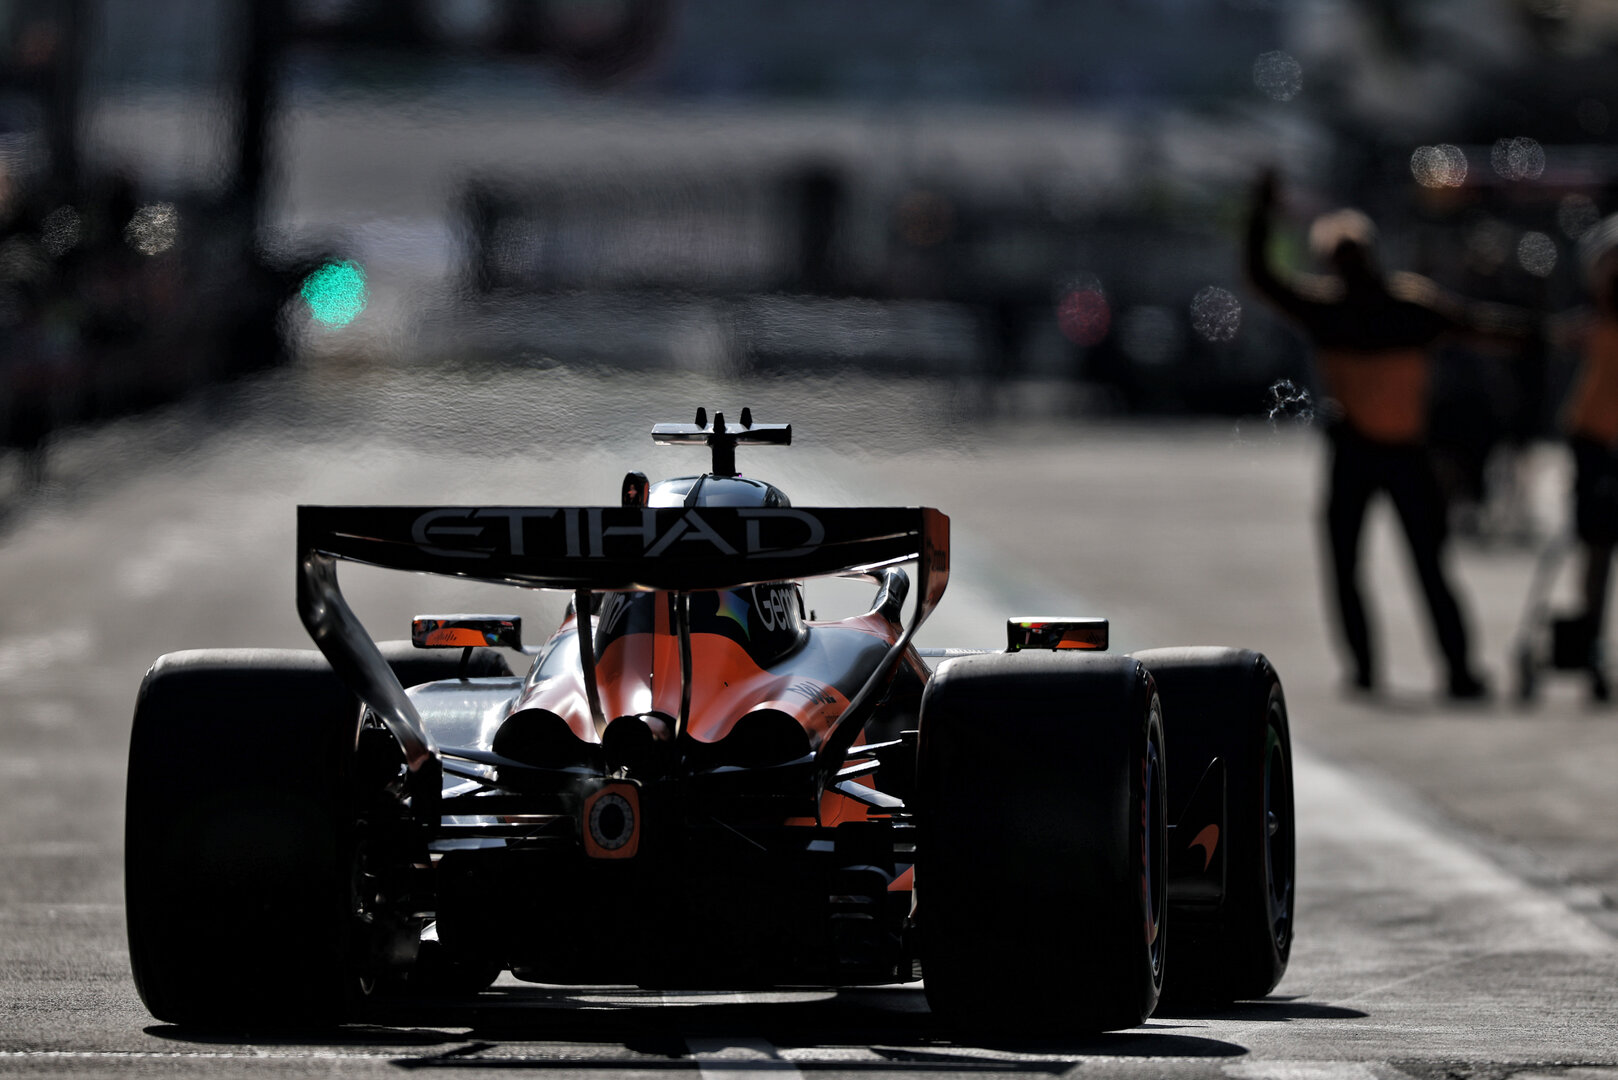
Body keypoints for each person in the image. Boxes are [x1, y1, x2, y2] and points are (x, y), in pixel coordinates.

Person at [1245, 169, 1525, 699]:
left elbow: (1264, 278)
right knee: (1425, 564)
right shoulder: (1408, 307)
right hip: (1400, 450)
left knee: (1355, 565)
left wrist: (1260, 214)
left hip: (1361, 450)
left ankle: (1373, 671)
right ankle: (1455, 670)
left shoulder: (1330, 310)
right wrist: (1541, 334)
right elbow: (1479, 325)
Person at [1554, 216, 1618, 700]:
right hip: (1594, 442)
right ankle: (1589, 645)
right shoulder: (1596, 324)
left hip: (1595, 439)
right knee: (1595, 549)